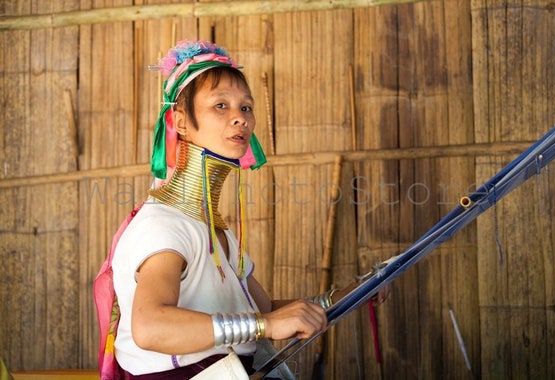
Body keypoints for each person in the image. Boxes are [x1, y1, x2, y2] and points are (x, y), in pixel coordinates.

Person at [97, 39, 388, 379]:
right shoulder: (163, 226)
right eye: (220, 105)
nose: (239, 118)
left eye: (246, 107)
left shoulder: (216, 230)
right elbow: (150, 328)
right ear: (181, 122)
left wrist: (347, 295)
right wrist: (265, 325)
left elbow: (261, 311)